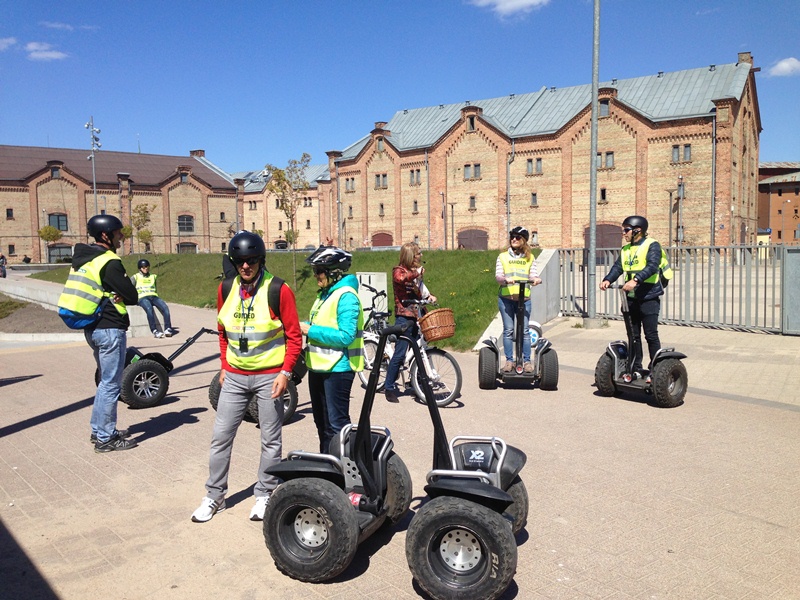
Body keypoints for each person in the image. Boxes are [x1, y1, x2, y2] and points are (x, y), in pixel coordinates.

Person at [192, 231, 302, 523]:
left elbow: (294, 337)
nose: (245, 266)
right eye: (239, 261)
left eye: (251, 261)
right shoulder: (225, 288)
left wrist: (285, 373)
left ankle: (265, 494)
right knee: (220, 438)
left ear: (260, 260)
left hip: (270, 377)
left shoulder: (279, 289)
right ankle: (214, 496)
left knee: (270, 440)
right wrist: (224, 366)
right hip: (235, 377)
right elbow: (222, 331)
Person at [63, 215, 139, 452]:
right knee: (111, 384)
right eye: (118, 233)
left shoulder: (83, 259)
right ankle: (106, 438)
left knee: (105, 383)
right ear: (106, 235)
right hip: (109, 329)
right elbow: (133, 296)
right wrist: (120, 294)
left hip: (92, 326)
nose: (121, 237)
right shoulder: (109, 261)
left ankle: (99, 430)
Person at [300, 246, 364, 452]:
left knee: (337, 426)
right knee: (322, 425)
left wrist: (309, 330)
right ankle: (328, 468)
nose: (315, 275)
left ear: (334, 271)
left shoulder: (347, 296)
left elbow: (346, 336)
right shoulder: (324, 295)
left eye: (319, 270)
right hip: (318, 368)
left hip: (339, 369)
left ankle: (348, 472)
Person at [600, 215, 672, 381]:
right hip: (631, 297)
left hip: (649, 295)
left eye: (626, 230)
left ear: (637, 231)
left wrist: (636, 280)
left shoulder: (652, 245)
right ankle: (635, 368)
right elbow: (618, 267)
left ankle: (656, 370)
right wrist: (607, 279)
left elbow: (652, 266)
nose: (623, 233)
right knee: (633, 336)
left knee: (651, 335)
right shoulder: (626, 249)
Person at [384, 242, 437, 403]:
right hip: (404, 317)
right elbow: (401, 279)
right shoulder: (398, 271)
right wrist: (417, 273)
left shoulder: (415, 273)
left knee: (419, 348)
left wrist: (429, 297)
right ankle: (389, 387)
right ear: (410, 256)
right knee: (400, 353)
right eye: (418, 254)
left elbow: (420, 291)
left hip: (416, 317)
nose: (420, 256)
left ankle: (417, 380)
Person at [495, 226, 542, 373]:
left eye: (517, 237)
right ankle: (509, 361)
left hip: (524, 299)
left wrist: (536, 279)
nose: (514, 239)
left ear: (524, 241)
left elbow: (532, 274)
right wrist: (504, 279)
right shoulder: (502, 256)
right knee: (508, 330)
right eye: (512, 237)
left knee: (525, 331)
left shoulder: (530, 257)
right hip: (506, 299)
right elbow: (498, 276)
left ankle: (527, 362)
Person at [131, 259, 175, 338]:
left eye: (147, 267)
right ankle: (154, 330)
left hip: (153, 296)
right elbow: (129, 287)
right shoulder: (135, 277)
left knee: (165, 307)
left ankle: (168, 328)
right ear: (140, 268)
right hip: (142, 298)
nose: (146, 269)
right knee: (149, 309)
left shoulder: (153, 276)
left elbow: (155, 287)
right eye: (143, 267)